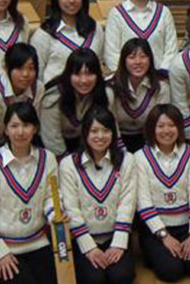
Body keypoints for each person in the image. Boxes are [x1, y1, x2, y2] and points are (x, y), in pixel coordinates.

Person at [0, 102, 58, 284]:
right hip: (1, 246)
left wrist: (56, 216)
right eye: (14, 126)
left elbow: (51, 198)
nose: (20, 132)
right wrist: (1, 253)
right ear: (5, 130)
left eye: (26, 125)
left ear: (35, 128)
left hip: (38, 242)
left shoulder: (48, 159)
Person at [135, 104, 190, 282]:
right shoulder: (140, 157)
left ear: (179, 127)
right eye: (160, 126)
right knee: (171, 272)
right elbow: (143, 202)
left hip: (186, 226)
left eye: (172, 125)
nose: (166, 131)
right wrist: (164, 236)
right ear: (151, 128)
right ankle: (153, 252)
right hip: (157, 230)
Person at [59, 107, 136, 284]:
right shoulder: (68, 164)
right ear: (85, 133)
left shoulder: (127, 160)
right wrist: (89, 248)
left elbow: (127, 203)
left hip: (115, 236)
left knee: (121, 277)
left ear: (113, 133)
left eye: (106, 130)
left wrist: (118, 243)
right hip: (84, 238)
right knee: (94, 280)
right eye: (94, 131)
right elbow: (71, 209)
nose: (100, 136)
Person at [40, 49, 114, 157]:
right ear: (68, 74)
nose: (83, 80)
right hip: (56, 148)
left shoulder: (106, 94)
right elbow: (52, 138)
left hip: (88, 144)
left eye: (89, 74)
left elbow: (109, 127)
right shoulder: (54, 96)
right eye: (77, 74)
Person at [30, 0, 104, 84]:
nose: (71, 0)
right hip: (56, 95)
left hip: (90, 94)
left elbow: (98, 63)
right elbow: (37, 73)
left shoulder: (95, 28)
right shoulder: (44, 34)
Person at [104, 0, 177, 72]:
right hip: (126, 82)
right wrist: (126, 77)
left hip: (159, 80)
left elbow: (171, 49)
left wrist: (162, 74)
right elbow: (111, 53)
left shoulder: (163, 12)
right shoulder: (116, 14)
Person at [0, 43, 43, 159]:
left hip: (19, 142)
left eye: (31, 68)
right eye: (19, 68)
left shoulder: (38, 89)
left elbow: (33, 124)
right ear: (6, 68)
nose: (25, 74)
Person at [110, 38, 170, 153]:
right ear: (123, 61)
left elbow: (160, 121)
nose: (138, 62)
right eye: (132, 57)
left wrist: (147, 151)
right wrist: (121, 149)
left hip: (149, 138)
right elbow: (109, 123)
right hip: (116, 139)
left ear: (150, 59)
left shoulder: (161, 87)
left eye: (143, 56)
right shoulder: (111, 87)